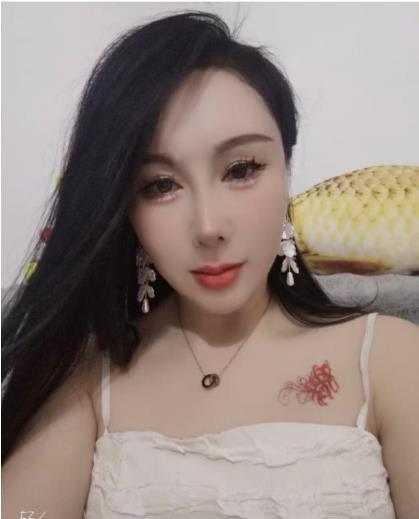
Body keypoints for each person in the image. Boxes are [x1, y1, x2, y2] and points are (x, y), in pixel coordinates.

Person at [2, 10, 418, 519]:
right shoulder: (88, 378)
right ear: (123, 206)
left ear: (286, 168)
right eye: (160, 185)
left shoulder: (389, 359)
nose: (207, 226)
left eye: (241, 169)